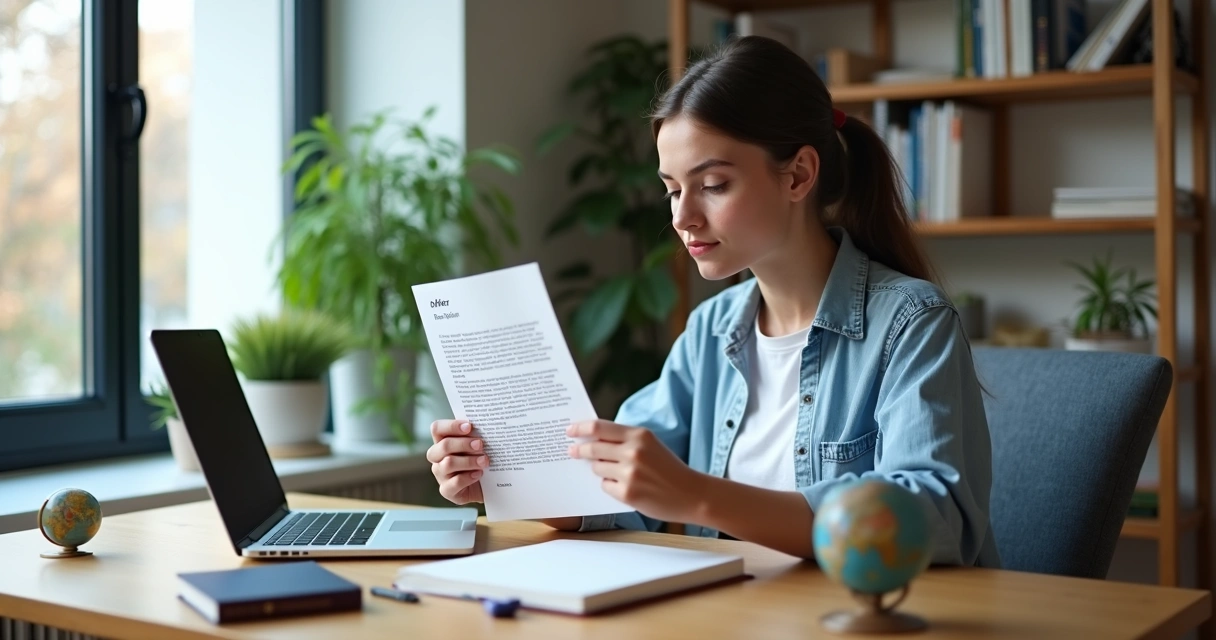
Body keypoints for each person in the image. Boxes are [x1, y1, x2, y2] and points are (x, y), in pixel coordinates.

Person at [426, 35, 1001, 568]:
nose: (682, 217)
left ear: (798, 174)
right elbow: (619, 497)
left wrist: (700, 497)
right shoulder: (713, 329)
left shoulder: (910, 323)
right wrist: (513, 482)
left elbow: (934, 519)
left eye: (714, 184)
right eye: (672, 189)